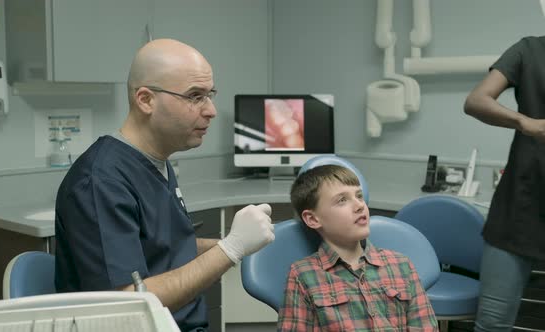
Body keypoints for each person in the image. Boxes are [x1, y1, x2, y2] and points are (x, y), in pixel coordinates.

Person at [54, 39, 275, 331]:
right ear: (145, 100)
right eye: (195, 96)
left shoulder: (156, 160)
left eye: (210, 95)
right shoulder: (100, 182)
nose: (211, 110)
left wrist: (234, 243)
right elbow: (125, 305)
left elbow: (161, 246)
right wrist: (231, 249)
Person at [278, 164, 438, 331]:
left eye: (359, 196)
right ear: (312, 219)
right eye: (342, 200)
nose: (360, 205)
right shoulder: (303, 275)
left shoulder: (401, 265)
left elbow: (426, 327)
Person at [464, 36, 545, 332]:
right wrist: (526, 123)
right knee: (492, 325)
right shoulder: (529, 50)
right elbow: (476, 101)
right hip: (518, 209)